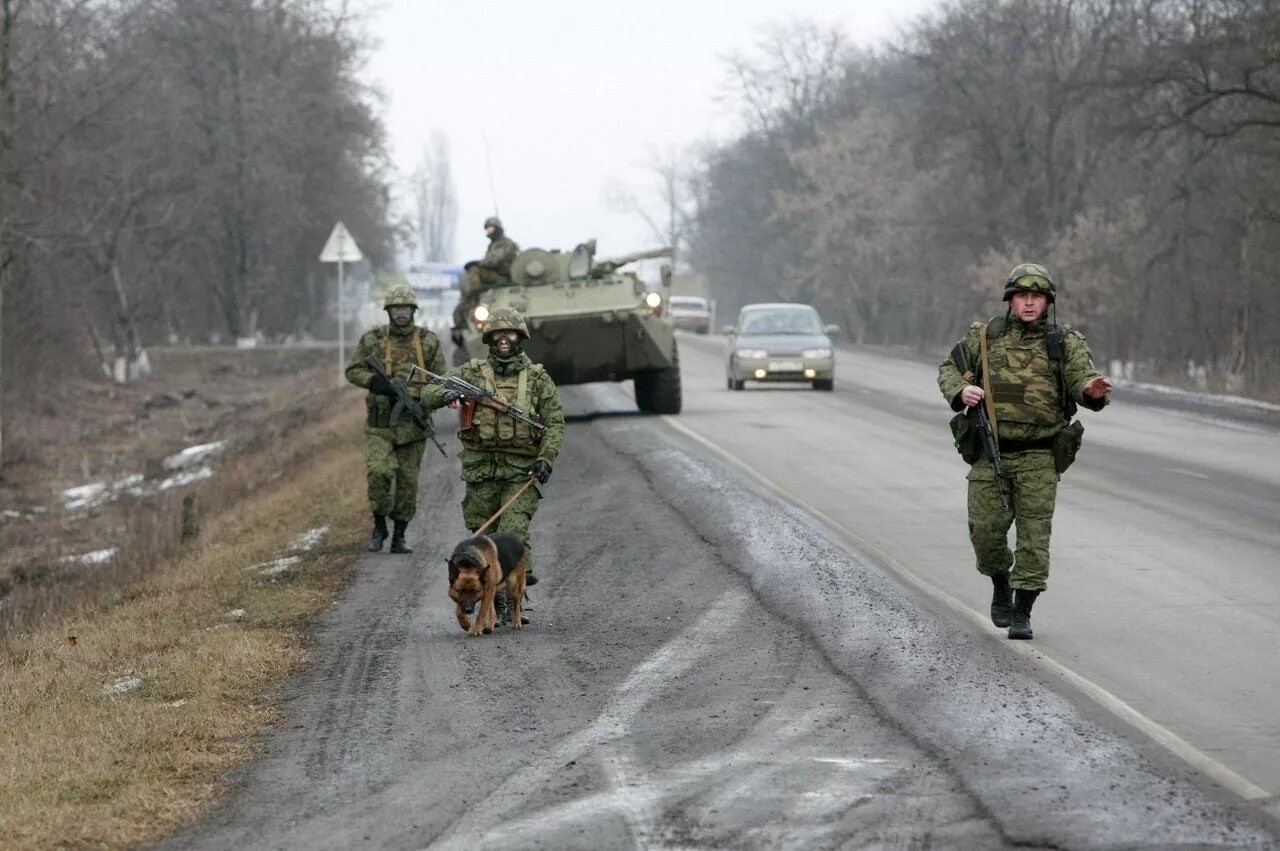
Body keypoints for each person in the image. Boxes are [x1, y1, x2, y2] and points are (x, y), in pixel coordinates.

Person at [937, 263, 1112, 639]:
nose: (1030, 303)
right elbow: (950, 368)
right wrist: (961, 391)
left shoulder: (1064, 342)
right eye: (1023, 296)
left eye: (1037, 297)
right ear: (1011, 300)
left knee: (1034, 538)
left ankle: (1023, 611)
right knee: (985, 534)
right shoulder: (985, 337)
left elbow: (1082, 378)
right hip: (992, 453)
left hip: (1039, 456)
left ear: (1047, 302)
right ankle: (1001, 583)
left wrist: (1092, 390)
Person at [422, 307, 564, 626]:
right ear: (488, 339)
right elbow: (428, 392)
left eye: (510, 334)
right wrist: (450, 394)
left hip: (520, 472)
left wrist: (546, 458)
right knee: (483, 539)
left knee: (511, 533)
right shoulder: (472, 373)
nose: (503, 340)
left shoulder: (537, 379)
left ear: (520, 338)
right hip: (481, 472)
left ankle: (514, 600)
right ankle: (496, 602)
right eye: (497, 334)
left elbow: (555, 423)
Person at [345, 285, 446, 554]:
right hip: (380, 426)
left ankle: (399, 535)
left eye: (406, 309)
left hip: (413, 427)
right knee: (378, 472)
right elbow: (353, 370)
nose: (401, 314)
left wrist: (422, 398)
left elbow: (441, 382)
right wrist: (374, 381)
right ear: (389, 312)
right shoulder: (373, 340)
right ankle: (379, 527)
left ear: (413, 311)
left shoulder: (428, 342)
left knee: (407, 483)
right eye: (396, 310)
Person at [451, 216, 520, 344]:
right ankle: (469, 300)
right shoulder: (493, 245)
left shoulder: (505, 243)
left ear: (498, 228)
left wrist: (477, 263)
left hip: (503, 277)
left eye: (491, 228)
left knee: (474, 270)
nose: (489, 231)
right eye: (487, 228)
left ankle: (474, 294)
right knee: (466, 275)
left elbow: (494, 261)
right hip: (494, 275)